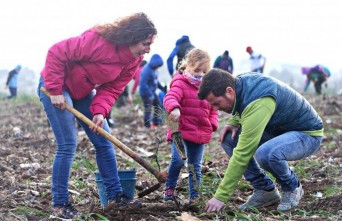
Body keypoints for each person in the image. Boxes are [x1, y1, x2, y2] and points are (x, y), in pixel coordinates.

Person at [37, 12, 157, 220]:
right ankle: (60, 203)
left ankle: (115, 196)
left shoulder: (132, 62)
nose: (148, 49)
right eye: (145, 43)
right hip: (55, 86)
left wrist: (100, 111)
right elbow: (57, 52)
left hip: (82, 92)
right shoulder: (99, 42)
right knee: (67, 144)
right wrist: (55, 90)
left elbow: (111, 89)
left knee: (103, 140)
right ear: (132, 37)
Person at [198, 69, 323, 212]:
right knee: (229, 139)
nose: (216, 109)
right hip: (278, 129)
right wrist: (233, 120)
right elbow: (241, 104)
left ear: (229, 91)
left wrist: (220, 196)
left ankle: (292, 187)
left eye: (217, 103)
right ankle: (265, 190)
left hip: (307, 134)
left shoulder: (259, 103)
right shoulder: (238, 82)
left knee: (267, 154)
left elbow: (242, 154)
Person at [163, 48, 219, 203]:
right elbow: (170, 97)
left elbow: (214, 109)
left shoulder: (208, 88)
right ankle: (169, 190)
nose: (200, 74)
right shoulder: (180, 83)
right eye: (197, 70)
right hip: (180, 131)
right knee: (178, 160)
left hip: (199, 132)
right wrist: (174, 108)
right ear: (188, 66)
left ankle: (195, 196)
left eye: (204, 71)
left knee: (195, 166)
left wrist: (213, 123)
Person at [139, 54, 166, 128]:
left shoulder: (155, 70)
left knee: (158, 106)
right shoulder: (146, 70)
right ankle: (147, 125)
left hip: (152, 92)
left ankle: (156, 122)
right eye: (158, 65)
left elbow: (156, 81)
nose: (158, 67)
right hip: (145, 93)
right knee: (148, 109)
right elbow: (143, 84)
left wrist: (162, 88)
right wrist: (150, 95)